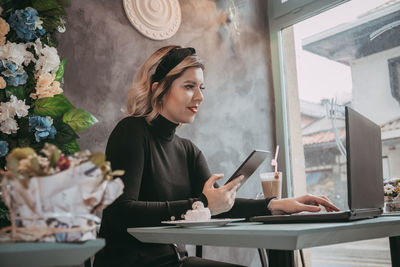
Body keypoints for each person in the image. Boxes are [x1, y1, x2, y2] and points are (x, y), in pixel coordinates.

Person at [93, 45, 339, 267]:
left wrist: (274, 205)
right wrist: (201, 203)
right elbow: (120, 211)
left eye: (201, 87)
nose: (200, 97)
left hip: (175, 261)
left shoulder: (188, 150)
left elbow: (221, 204)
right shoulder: (132, 131)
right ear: (158, 89)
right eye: (189, 86)